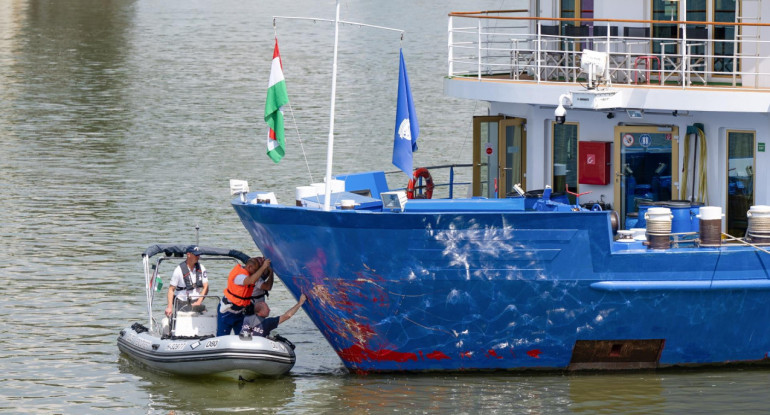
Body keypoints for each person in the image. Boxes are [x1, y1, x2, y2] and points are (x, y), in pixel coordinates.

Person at [217, 256, 273, 336]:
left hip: (240, 312)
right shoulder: (239, 276)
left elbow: (267, 286)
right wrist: (263, 266)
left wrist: (270, 270)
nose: (256, 272)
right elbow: (250, 280)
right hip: (227, 311)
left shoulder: (252, 274)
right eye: (255, 270)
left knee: (243, 336)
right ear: (249, 267)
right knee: (222, 336)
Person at [165, 245, 209, 317]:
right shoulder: (178, 270)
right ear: (188, 254)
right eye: (196, 255)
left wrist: (199, 302)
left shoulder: (202, 268)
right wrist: (169, 307)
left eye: (199, 255)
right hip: (182, 302)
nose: (198, 257)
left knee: (208, 317)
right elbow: (171, 289)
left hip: (197, 301)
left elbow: (206, 286)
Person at [242, 294, 307, 338]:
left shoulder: (246, 319)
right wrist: (300, 302)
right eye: (267, 309)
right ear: (260, 312)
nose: (269, 310)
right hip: (259, 348)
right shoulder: (267, 322)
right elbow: (287, 316)